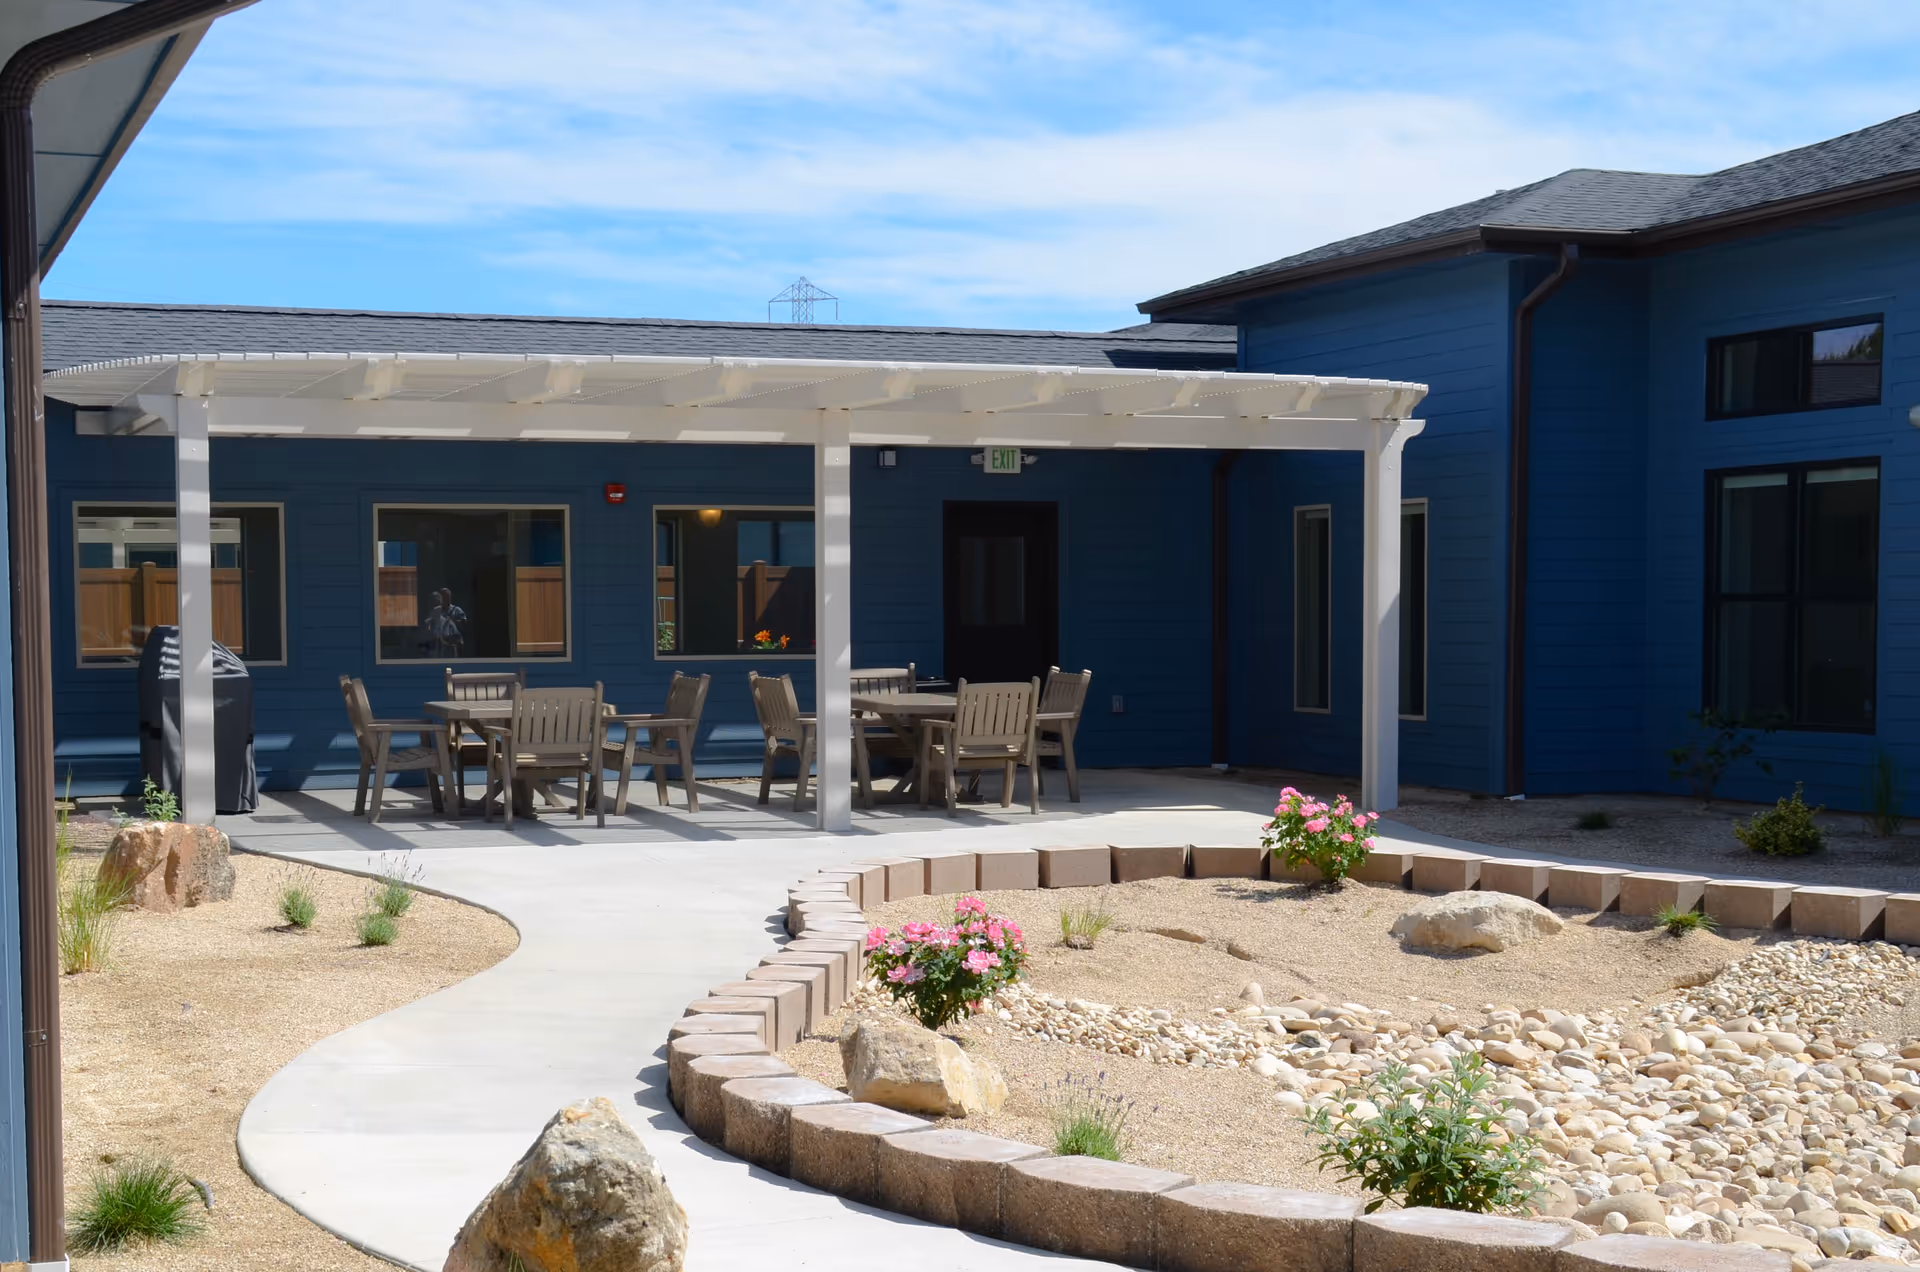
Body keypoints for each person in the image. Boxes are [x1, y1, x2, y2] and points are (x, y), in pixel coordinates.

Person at [425, 588, 467, 658]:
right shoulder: (436, 610)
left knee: (454, 659)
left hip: (452, 642)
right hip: (439, 642)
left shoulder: (456, 610)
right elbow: (429, 623)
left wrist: (454, 621)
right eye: (444, 596)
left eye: (447, 596)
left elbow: (464, 622)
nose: (446, 599)